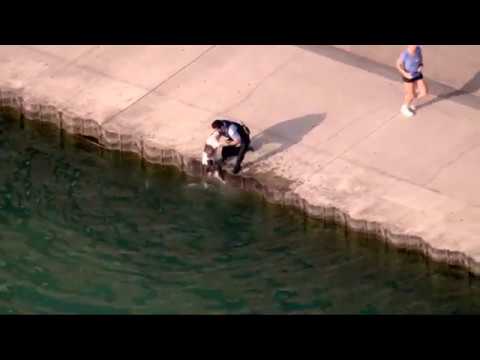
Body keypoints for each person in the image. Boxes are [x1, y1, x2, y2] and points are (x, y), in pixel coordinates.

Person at [396, 45, 429, 118]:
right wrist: (405, 73)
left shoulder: (418, 49)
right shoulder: (405, 54)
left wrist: (421, 65)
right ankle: (404, 108)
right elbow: (398, 65)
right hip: (409, 76)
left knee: (424, 92)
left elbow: (420, 58)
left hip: (417, 74)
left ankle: (409, 101)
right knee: (410, 94)